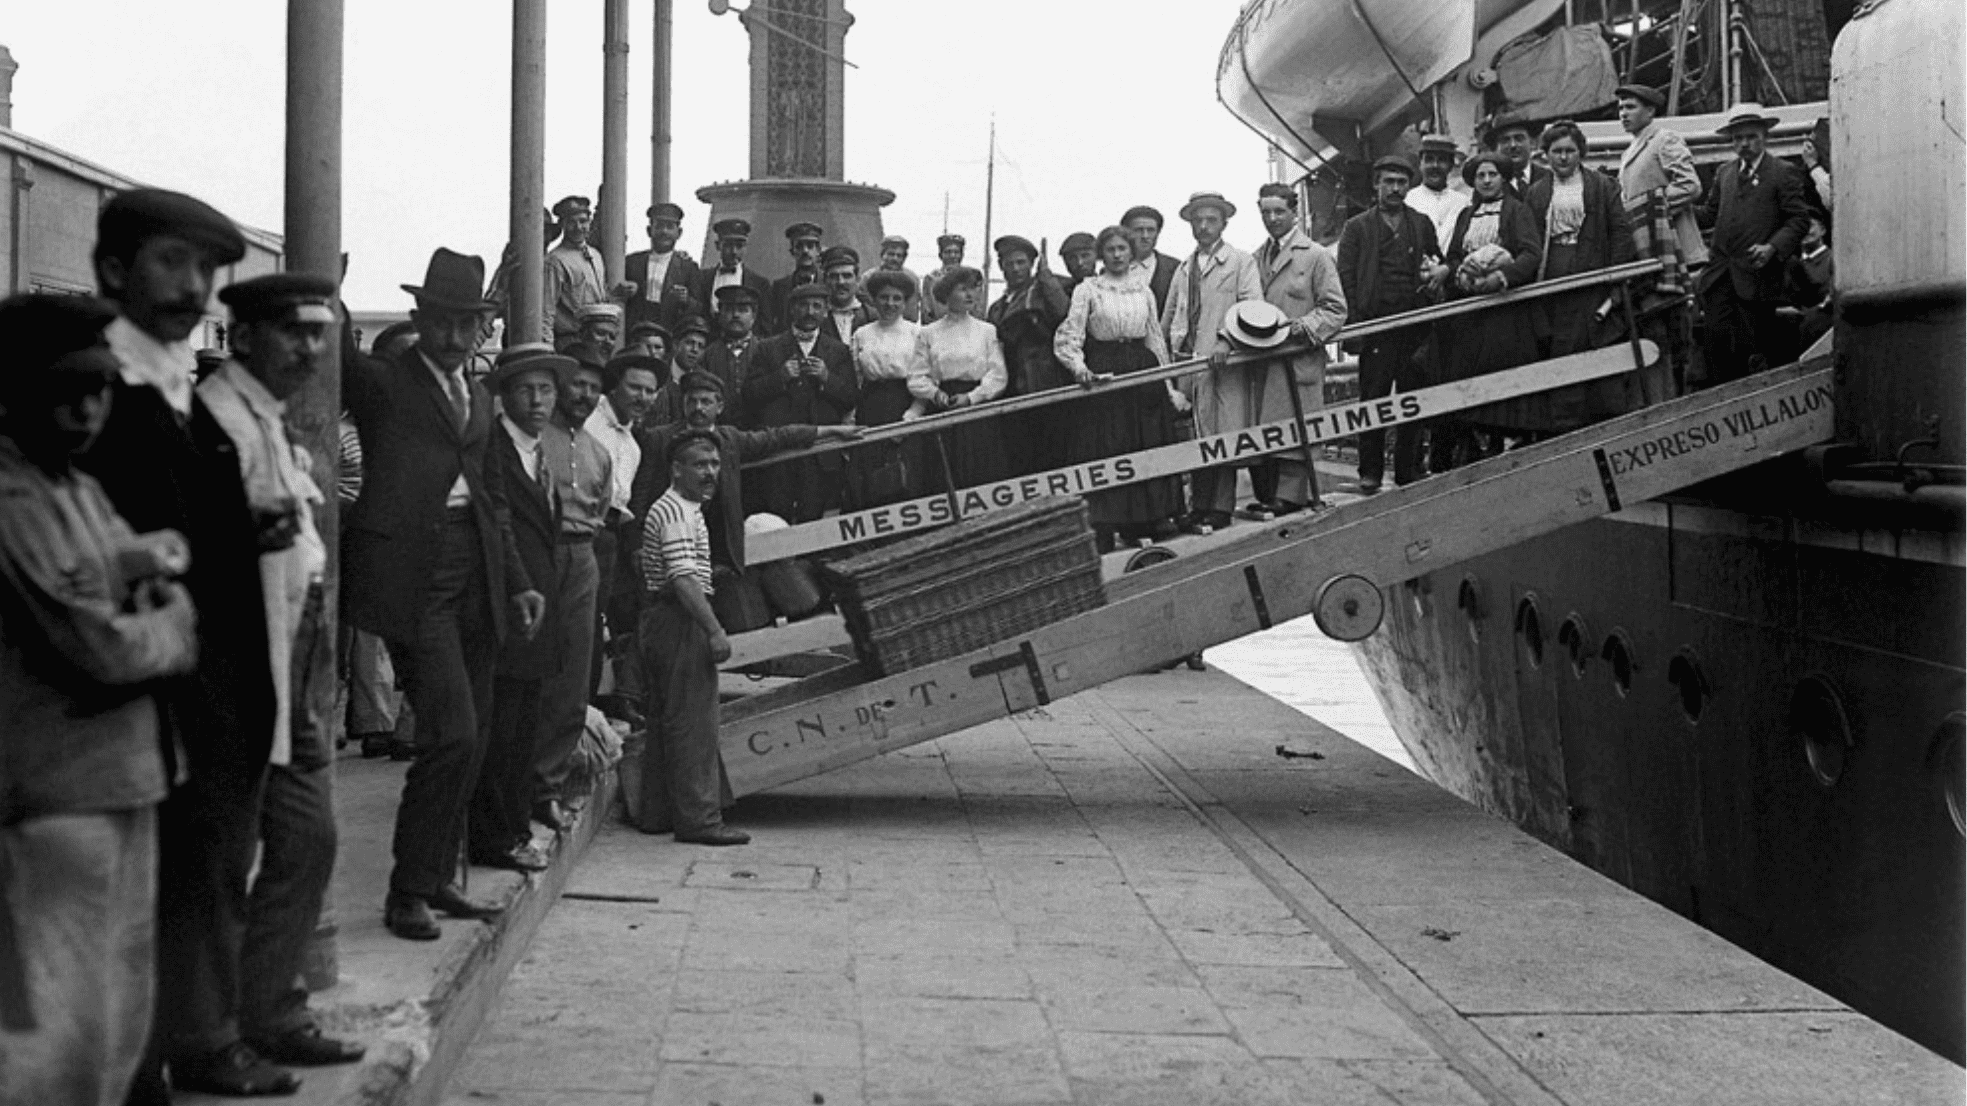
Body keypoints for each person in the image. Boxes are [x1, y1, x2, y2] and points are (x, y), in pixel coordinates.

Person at [74, 188, 288, 1099]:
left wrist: (242, 529)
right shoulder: (97, 390)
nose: (194, 286)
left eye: (205, 268)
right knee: (138, 894)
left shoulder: (174, 387)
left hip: (208, 683)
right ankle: (140, 1070)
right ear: (113, 269)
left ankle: (189, 1042)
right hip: (135, 692)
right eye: (173, 262)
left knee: (199, 874)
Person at [0, 293, 197, 1106]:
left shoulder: (77, 487)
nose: (87, 410)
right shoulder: (15, 501)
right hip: (55, 796)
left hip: (125, 777)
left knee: (117, 1022)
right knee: (57, 1041)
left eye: (98, 389)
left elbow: (153, 573)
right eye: (64, 392)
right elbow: (100, 649)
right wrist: (171, 622)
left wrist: (148, 592)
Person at [341, 247, 545, 943]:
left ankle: (436, 878)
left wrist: (518, 581)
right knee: (450, 734)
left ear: (482, 327)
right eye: (442, 322)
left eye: (468, 324)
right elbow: (338, 357)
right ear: (419, 319)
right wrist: (328, 287)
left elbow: (493, 498)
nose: (455, 336)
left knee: (475, 734)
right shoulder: (386, 385)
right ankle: (406, 891)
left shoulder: (479, 397)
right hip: (416, 579)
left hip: (478, 577)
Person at [201, 273, 366, 1071]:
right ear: (242, 337)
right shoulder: (212, 421)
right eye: (290, 333)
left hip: (293, 662)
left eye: (316, 334)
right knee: (222, 863)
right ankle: (209, 1037)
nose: (308, 350)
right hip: (234, 670)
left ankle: (270, 1008)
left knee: (308, 840)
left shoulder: (272, 419)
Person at [628, 371, 857, 584]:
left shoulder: (730, 439)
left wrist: (832, 430)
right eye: (692, 401)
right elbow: (639, 494)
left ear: (719, 406)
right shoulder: (659, 439)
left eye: (706, 402)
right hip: (675, 541)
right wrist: (637, 544)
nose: (698, 408)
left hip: (719, 545)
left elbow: (778, 437)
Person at [637, 429, 748, 846]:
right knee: (694, 725)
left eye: (715, 464)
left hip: (665, 619)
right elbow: (683, 578)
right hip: (679, 620)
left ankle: (657, 813)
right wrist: (714, 630)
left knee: (667, 720)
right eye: (700, 464)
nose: (710, 473)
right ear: (676, 469)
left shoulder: (682, 508)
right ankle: (700, 820)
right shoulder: (676, 512)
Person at [1053, 227, 1184, 548]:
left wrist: (1168, 385)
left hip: (1142, 370)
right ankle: (1105, 524)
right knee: (1109, 445)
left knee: (1145, 442)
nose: (1116, 255)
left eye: (1122, 248)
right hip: (1106, 370)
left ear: (1131, 252)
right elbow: (1069, 335)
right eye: (1110, 249)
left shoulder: (1143, 290)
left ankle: (1147, 520)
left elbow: (1155, 338)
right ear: (1102, 254)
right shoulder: (1088, 289)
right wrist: (1080, 369)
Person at [1335, 156, 1449, 493]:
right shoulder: (1356, 227)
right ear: (1376, 185)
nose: (1395, 189)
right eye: (1388, 181)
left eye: (1401, 182)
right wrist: (1356, 326)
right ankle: (1370, 471)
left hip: (1414, 325)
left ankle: (1407, 469)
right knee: (1374, 399)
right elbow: (1346, 279)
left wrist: (1433, 283)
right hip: (1376, 327)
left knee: (1412, 398)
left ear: (1409, 186)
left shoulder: (1421, 223)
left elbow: (1435, 261)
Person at [1162, 190, 1262, 531]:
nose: (1204, 226)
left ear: (1224, 224)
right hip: (1186, 363)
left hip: (1222, 363)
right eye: (1198, 220)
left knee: (1224, 434)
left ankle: (1220, 507)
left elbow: (1252, 307)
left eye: (1211, 220)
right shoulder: (1183, 268)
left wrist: (1226, 338)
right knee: (1195, 436)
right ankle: (1198, 506)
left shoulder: (1240, 262)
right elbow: (1168, 316)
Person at [1439, 151, 1544, 471]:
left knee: (1504, 371)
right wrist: (1461, 276)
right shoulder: (1466, 215)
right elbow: (1453, 256)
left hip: (1505, 309)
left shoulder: (1517, 210)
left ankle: (1509, 442)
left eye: (1492, 175)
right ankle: (1477, 444)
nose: (1486, 181)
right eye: (1480, 176)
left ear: (1503, 178)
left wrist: (1502, 277)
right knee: (1471, 372)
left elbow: (1531, 253)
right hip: (1472, 310)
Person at [1251, 182, 1348, 515]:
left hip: (1298, 357)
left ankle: (1291, 496)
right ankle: (1270, 495)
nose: (1272, 218)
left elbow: (1335, 309)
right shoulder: (1255, 258)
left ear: (1294, 212)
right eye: (1266, 212)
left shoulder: (1316, 255)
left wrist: (1304, 327)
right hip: (1263, 360)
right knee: (1269, 427)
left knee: (1298, 426)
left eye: (1279, 211)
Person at [1698, 103, 1814, 381]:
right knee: (1717, 344)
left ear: (1765, 137)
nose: (1744, 144)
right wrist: (1675, 207)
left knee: (1753, 349)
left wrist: (1772, 247)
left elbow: (1799, 220)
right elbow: (1709, 214)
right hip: (1720, 276)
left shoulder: (1783, 172)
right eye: (1738, 138)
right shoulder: (1725, 173)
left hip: (1758, 278)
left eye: (1751, 136)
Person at [742, 282, 859, 522]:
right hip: (779, 449)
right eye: (803, 305)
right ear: (792, 309)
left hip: (819, 452)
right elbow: (749, 396)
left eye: (817, 306)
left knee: (813, 516)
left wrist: (827, 378)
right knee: (777, 515)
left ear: (825, 311)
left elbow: (850, 399)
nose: (810, 311)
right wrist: (779, 378)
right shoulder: (768, 348)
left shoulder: (838, 350)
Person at [586, 352, 663, 712]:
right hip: (579, 533)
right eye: (634, 387)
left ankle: (592, 707)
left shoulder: (632, 445)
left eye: (649, 391)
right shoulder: (588, 421)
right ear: (615, 387)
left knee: (598, 624)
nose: (642, 397)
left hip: (609, 538)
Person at [1525, 121, 1636, 359]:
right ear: (1546, 155)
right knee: (1557, 335)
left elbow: (1620, 232)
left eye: (1570, 151)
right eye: (1556, 151)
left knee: (1589, 333)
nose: (1563, 157)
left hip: (1592, 265)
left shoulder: (1603, 185)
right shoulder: (1536, 192)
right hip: (1552, 269)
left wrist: (1616, 275)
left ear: (1580, 153)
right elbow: (1530, 238)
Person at [908, 266, 1010, 489]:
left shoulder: (986, 331)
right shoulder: (929, 333)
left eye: (974, 289)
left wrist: (972, 398)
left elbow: (998, 375)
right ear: (947, 294)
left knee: (979, 471)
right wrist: (935, 394)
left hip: (978, 410)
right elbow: (916, 376)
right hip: (944, 407)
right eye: (962, 289)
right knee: (944, 475)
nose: (970, 295)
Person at [987, 234, 1072, 473]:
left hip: (1045, 382)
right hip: (1010, 387)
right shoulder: (997, 307)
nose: (1015, 269)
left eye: (1021, 262)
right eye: (1009, 263)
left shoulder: (1046, 290)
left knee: (1051, 453)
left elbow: (1063, 313)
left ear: (1031, 264)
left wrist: (1045, 276)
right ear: (1001, 266)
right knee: (1021, 456)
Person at [847, 269, 924, 505]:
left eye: (897, 298)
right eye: (884, 297)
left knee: (903, 477)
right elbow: (855, 379)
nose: (890, 304)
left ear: (905, 301)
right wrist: (851, 419)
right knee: (868, 477)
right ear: (873, 299)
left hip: (904, 406)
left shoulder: (916, 333)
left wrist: (911, 417)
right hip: (870, 409)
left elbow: (925, 379)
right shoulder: (862, 334)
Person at [1614, 83, 1707, 271]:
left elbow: (1690, 185)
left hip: (1677, 246)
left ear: (1650, 111)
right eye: (1621, 108)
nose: (1623, 114)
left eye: (1630, 107)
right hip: (1649, 246)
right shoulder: (1627, 153)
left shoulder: (1664, 139)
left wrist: (1649, 207)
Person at [545, 195, 627, 351]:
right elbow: (546, 312)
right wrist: (549, 350)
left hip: (598, 340)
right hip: (571, 342)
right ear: (562, 225)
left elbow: (599, 297)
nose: (578, 227)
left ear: (589, 222)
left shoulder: (596, 255)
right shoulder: (555, 261)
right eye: (571, 222)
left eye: (583, 221)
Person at [625, 201, 701, 331]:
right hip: (636, 331)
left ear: (679, 233)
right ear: (649, 231)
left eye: (670, 227)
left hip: (670, 332)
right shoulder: (632, 262)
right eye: (659, 226)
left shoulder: (688, 268)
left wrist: (686, 299)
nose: (664, 231)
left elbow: (700, 307)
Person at [694, 218, 775, 337]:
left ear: (745, 247)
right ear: (718, 246)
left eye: (739, 246)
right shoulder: (701, 278)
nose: (734, 252)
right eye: (728, 245)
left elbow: (765, 327)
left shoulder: (760, 284)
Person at [705, 284, 764, 424]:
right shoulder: (708, 355)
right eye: (729, 309)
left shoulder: (766, 351)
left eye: (743, 310)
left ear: (754, 316)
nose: (735, 315)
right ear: (719, 315)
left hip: (759, 429)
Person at [1406, 134, 1471, 250]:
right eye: (1429, 159)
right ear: (1420, 164)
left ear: (1451, 165)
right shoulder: (1408, 200)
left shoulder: (1464, 203)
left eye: (1442, 160)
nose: (1435, 166)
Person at [648, 315, 712, 429]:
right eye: (690, 343)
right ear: (676, 344)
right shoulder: (658, 374)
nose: (695, 350)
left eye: (700, 346)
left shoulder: (705, 380)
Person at [768, 221, 826, 333]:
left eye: (810, 246)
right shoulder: (780, 287)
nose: (805, 251)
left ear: (818, 250)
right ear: (792, 251)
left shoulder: (827, 283)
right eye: (799, 246)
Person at [1122, 205, 1181, 313]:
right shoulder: (1112, 269)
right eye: (1138, 230)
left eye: (1150, 230)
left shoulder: (1176, 268)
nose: (1145, 236)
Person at [1485, 111, 1550, 203]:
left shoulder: (1549, 178)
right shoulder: (1489, 185)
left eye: (1519, 138)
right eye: (1505, 140)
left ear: (1532, 143)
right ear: (1495, 148)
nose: (1513, 145)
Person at [818, 244, 873, 345]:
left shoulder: (872, 317)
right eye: (834, 276)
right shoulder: (816, 318)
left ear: (857, 279)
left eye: (847, 276)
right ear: (825, 280)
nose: (841, 282)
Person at [860, 234, 922, 320]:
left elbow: (911, 310)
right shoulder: (868, 277)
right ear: (882, 255)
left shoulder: (912, 278)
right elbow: (866, 307)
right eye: (891, 254)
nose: (895, 259)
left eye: (899, 256)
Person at [920, 233, 966, 323]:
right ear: (940, 255)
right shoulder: (931, 279)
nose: (952, 256)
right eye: (948, 252)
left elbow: (978, 310)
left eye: (956, 252)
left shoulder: (970, 278)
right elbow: (926, 311)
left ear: (961, 255)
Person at [1058, 232, 1100, 296]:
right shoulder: (1062, 290)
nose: (1080, 262)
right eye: (1072, 258)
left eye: (1085, 256)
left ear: (1096, 256)